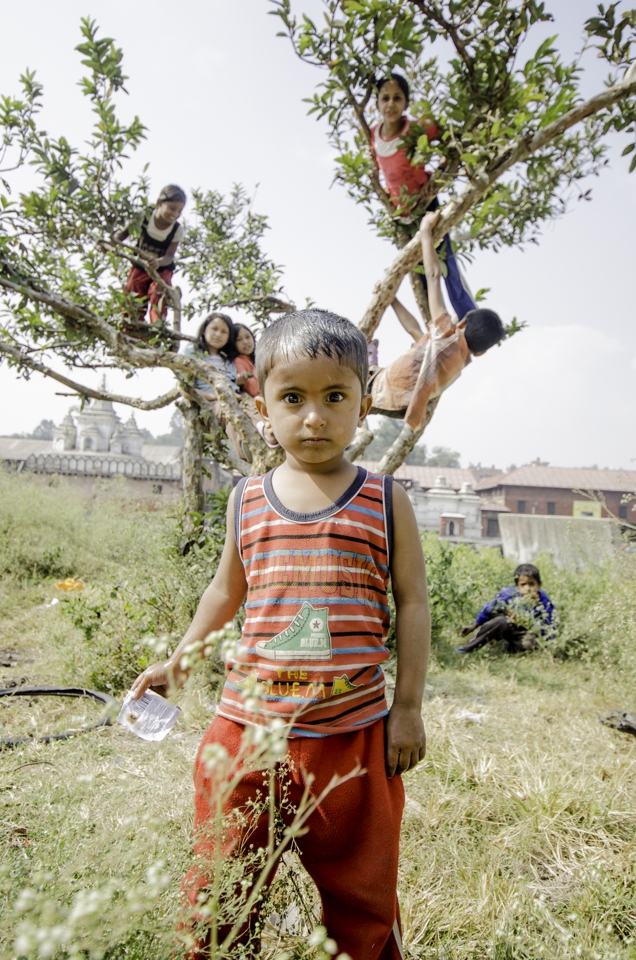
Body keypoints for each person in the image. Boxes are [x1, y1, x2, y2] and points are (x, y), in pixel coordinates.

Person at [131, 308, 431, 959]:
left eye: (334, 397)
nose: (314, 417)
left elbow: (412, 604)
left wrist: (406, 707)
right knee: (222, 891)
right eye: (293, 398)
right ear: (262, 403)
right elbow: (224, 592)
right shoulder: (248, 498)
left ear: (364, 397)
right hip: (245, 733)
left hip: (352, 738)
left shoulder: (384, 501)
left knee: (362, 899)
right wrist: (177, 663)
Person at [369, 209, 505, 431]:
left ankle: (368, 360)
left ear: (463, 323)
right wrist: (390, 298)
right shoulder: (456, 360)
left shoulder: (447, 334)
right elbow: (413, 330)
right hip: (399, 405)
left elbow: (433, 276)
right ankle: (370, 361)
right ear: (480, 352)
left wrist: (425, 231)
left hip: (382, 388)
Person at [372, 73, 475, 321]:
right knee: (417, 272)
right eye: (385, 98)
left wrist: (439, 173)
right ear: (376, 103)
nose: (390, 104)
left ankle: (468, 317)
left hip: (425, 204)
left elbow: (450, 138)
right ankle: (437, 324)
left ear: (406, 103)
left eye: (397, 98)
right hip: (400, 212)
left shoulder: (416, 129)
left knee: (444, 261)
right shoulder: (374, 133)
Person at [184, 312, 262, 461]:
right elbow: (186, 390)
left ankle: (266, 435)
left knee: (254, 407)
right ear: (205, 329)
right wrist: (216, 396)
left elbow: (234, 381)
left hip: (237, 395)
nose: (218, 334)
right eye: (214, 329)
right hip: (215, 401)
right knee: (230, 414)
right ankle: (245, 447)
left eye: (224, 331)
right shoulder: (193, 352)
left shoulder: (228, 358)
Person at [117, 184, 187, 324]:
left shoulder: (176, 230)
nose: (175, 214)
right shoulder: (145, 216)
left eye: (180, 211)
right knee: (133, 296)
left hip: (162, 270)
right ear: (160, 203)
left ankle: (157, 329)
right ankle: (131, 329)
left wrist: (158, 262)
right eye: (172, 208)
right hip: (140, 266)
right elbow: (124, 233)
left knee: (158, 294)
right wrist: (110, 243)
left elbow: (169, 256)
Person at [455, 563, 556, 655]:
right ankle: (467, 648)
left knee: (530, 644)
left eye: (532, 584)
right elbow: (489, 609)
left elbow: (549, 625)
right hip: (506, 628)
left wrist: (549, 648)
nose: (528, 588)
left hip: (522, 634)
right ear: (517, 586)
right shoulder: (508, 595)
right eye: (523, 585)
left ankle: (510, 648)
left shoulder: (544, 602)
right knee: (499, 621)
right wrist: (474, 626)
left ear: (539, 585)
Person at [233, 322, 259, 398]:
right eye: (239, 339)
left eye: (247, 337)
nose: (245, 342)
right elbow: (253, 389)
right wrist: (259, 364)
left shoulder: (254, 357)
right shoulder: (238, 361)